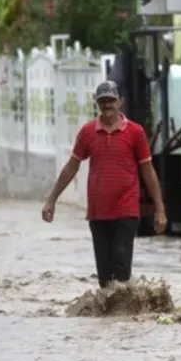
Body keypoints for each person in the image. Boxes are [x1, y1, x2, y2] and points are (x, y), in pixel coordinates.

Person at [41, 80, 167, 289]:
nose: (107, 105)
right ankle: (108, 320)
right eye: (103, 101)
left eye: (111, 100)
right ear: (97, 104)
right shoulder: (88, 132)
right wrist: (51, 200)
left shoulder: (135, 132)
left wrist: (160, 209)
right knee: (104, 277)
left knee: (121, 266)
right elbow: (71, 167)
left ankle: (122, 317)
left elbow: (148, 171)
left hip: (126, 210)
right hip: (98, 213)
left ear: (120, 102)